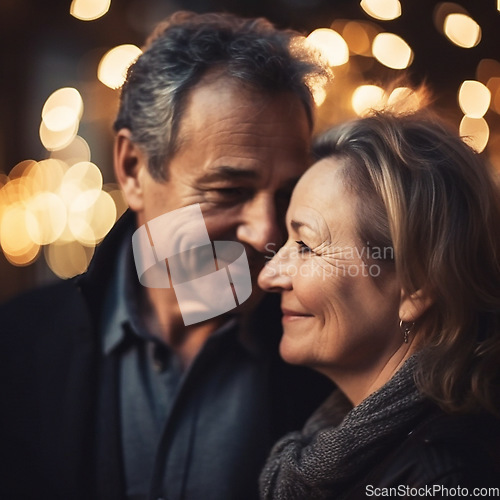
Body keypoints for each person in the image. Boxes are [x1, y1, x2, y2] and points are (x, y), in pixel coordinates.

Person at [0, 11, 332, 500]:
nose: (267, 231)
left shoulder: (332, 365)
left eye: (286, 195)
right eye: (228, 189)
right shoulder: (16, 348)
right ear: (133, 168)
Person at [258, 109, 500, 499]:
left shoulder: (445, 483)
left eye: (305, 246)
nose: (268, 276)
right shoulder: (346, 447)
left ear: (416, 285)